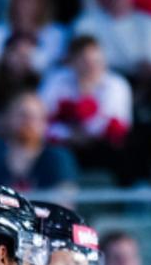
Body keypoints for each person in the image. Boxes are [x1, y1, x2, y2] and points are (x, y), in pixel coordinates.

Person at [39, 35, 133, 171]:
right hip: (63, 147)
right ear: (72, 62)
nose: (92, 67)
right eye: (85, 61)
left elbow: (114, 127)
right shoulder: (56, 80)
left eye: (96, 61)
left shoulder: (116, 85)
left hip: (103, 150)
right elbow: (42, 118)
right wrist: (69, 134)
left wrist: (86, 96)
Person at [0, 90, 77, 196]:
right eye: (22, 115)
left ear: (44, 123)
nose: (28, 121)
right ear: (8, 118)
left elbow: (65, 201)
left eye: (35, 117)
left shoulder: (58, 158)